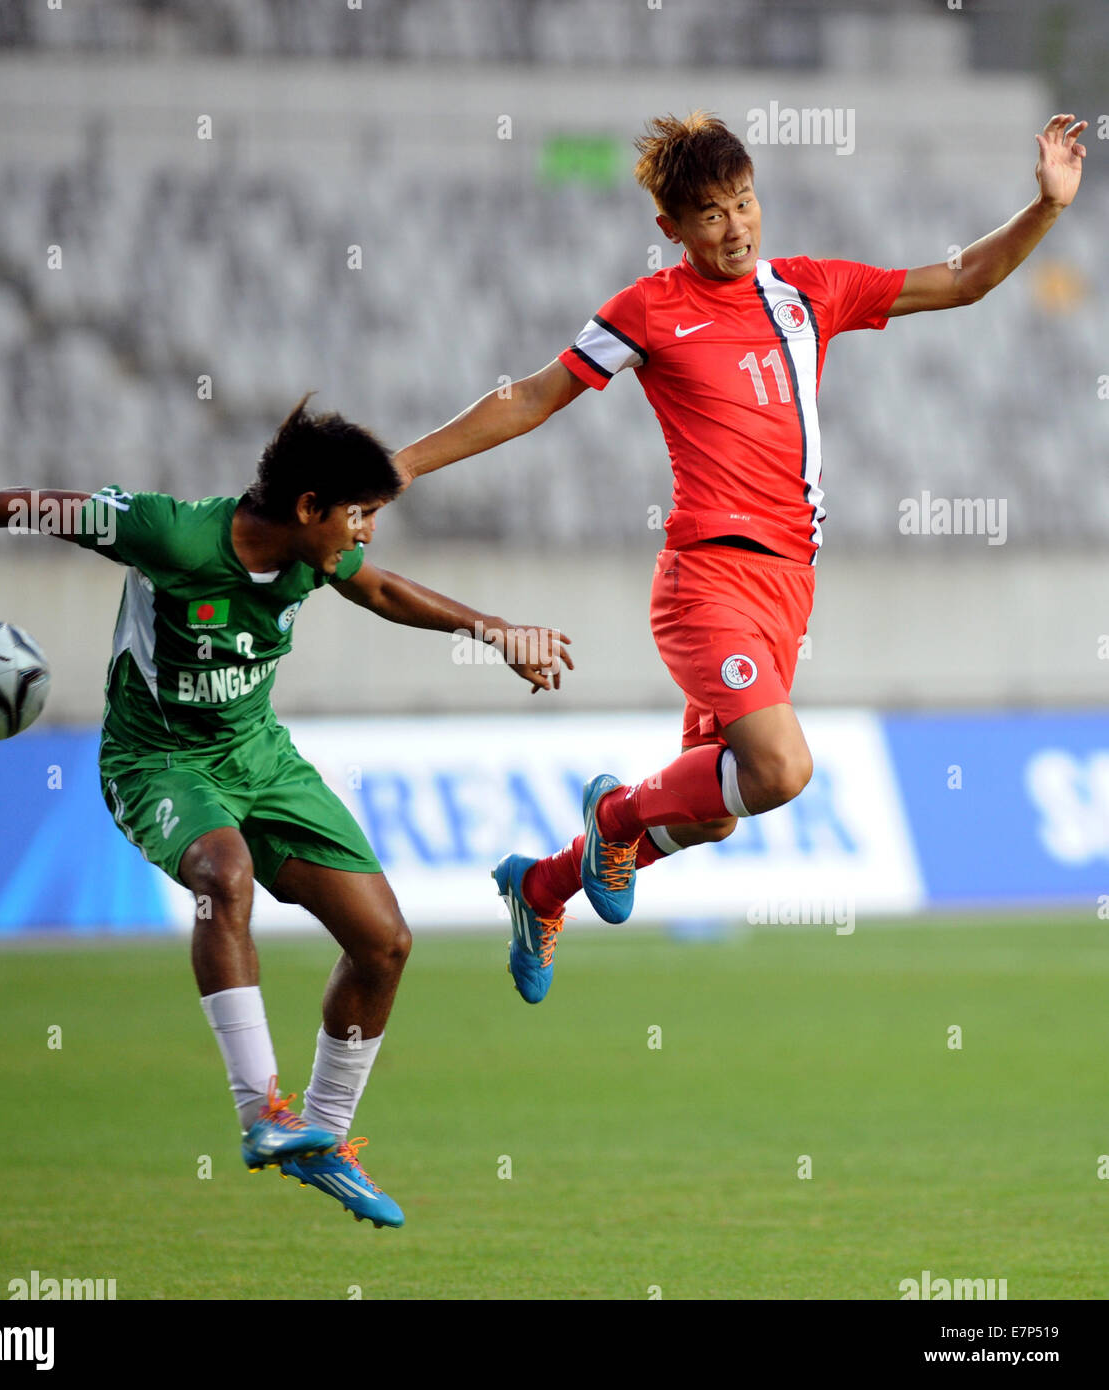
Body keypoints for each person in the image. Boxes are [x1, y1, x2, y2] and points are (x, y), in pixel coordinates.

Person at [392, 110, 1087, 1004]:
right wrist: (401, 463)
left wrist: (1046, 208)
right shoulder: (647, 311)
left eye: (746, 203)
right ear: (670, 229)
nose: (735, 227)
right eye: (711, 214)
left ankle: (542, 885)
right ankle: (612, 817)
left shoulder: (808, 292)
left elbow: (962, 280)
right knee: (782, 770)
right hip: (706, 578)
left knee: (717, 815)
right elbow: (533, 396)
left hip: (789, 587)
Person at [0, 395, 571, 1223]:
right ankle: (261, 1110)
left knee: (385, 943)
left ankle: (322, 1137)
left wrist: (497, 631)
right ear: (306, 508)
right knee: (225, 872)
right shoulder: (169, 534)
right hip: (159, 762)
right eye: (357, 515)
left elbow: (389, 592)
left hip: (259, 758)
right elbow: (24, 507)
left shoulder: (317, 556)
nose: (365, 533)